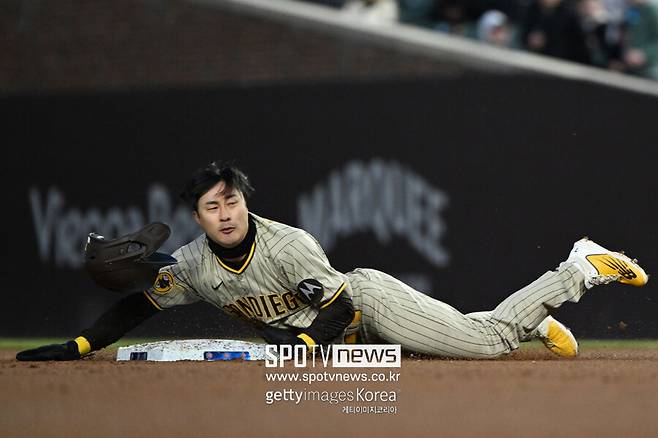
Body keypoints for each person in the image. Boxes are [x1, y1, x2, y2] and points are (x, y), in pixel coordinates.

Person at [16, 161, 649, 361]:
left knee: (486, 345)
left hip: (363, 307)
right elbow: (137, 305)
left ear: (243, 203)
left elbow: (341, 307)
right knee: (465, 336)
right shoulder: (193, 264)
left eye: (232, 200)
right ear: (199, 217)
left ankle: (579, 268)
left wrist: (292, 344)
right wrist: (79, 345)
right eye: (213, 207)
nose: (227, 213)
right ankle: (533, 319)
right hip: (343, 334)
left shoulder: (287, 244)